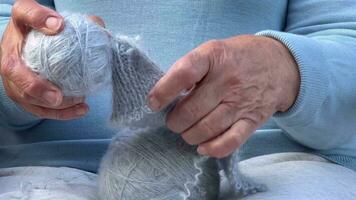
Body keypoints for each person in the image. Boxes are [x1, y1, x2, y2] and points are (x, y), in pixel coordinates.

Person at [0, 0, 356, 199]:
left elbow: (346, 37)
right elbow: (11, 29)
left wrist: (285, 67)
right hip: (54, 172)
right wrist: (19, 79)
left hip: (269, 166)